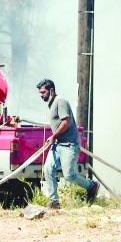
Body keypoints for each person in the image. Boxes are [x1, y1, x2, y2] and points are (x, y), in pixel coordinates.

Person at [37, 79, 99, 209]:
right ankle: (54, 202)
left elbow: (66, 123)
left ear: (51, 90)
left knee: (69, 175)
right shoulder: (51, 103)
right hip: (58, 145)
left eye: (43, 92)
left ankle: (92, 186)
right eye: (40, 92)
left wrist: (53, 136)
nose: (41, 95)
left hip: (69, 145)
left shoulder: (61, 101)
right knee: (48, 169)